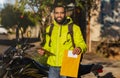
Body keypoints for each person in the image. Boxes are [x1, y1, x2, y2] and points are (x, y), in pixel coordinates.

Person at [38, 5, 102, 78]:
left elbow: (82, 44)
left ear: (65, 14)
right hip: (53, 68)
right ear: (53, 14)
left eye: (61, 13)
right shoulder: (49, 29)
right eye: (57, 13)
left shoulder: (74, 28)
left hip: (68, 65)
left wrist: (79, 48)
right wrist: (44, 51)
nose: (59, 15)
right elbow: (48, 46)